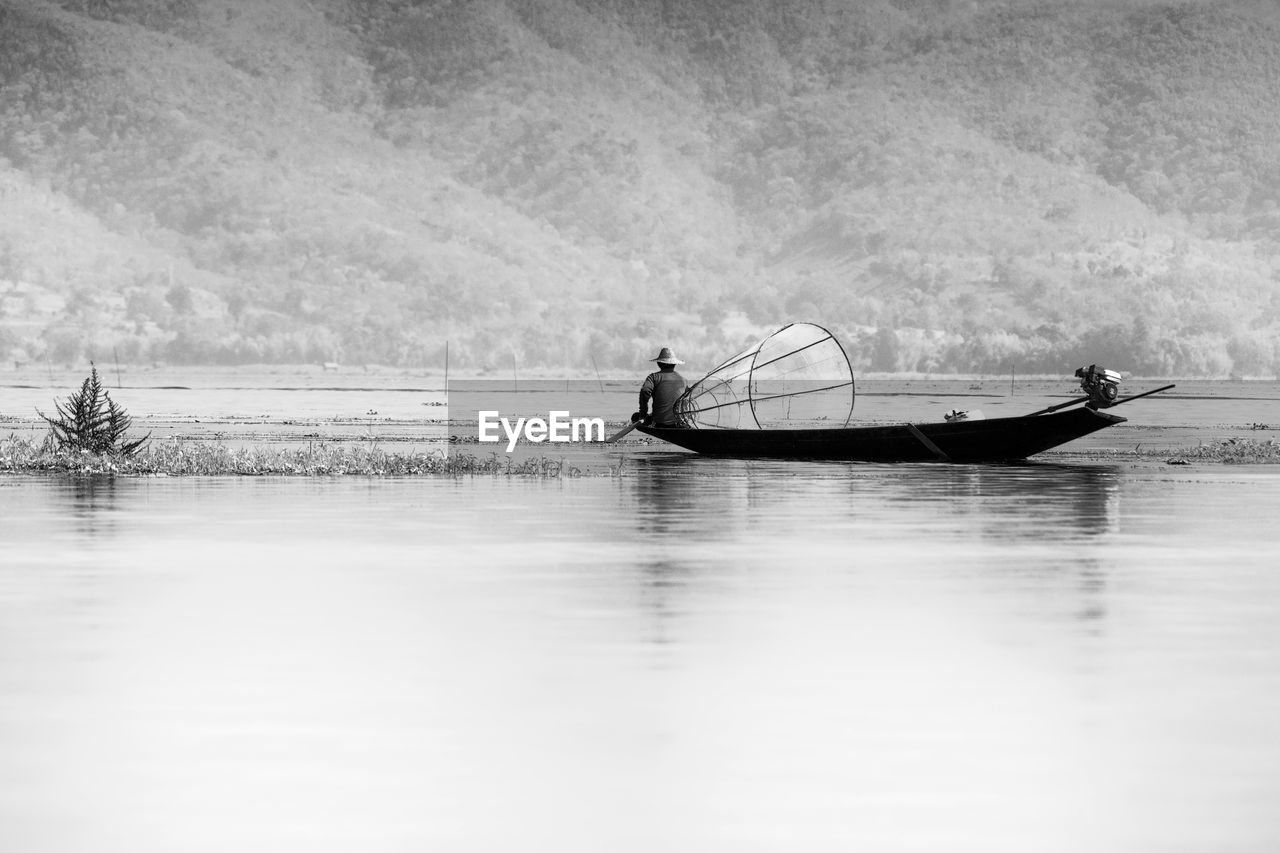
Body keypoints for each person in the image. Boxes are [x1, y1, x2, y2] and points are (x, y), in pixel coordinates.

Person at [632, 347, 687, 427]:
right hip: (680, 422)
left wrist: (643, 414)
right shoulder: (683, 380)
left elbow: (645, 391)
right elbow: (685, 402)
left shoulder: (653, 377)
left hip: (660, 422)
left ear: (659, 364)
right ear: (674, 364)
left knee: (635, 417)